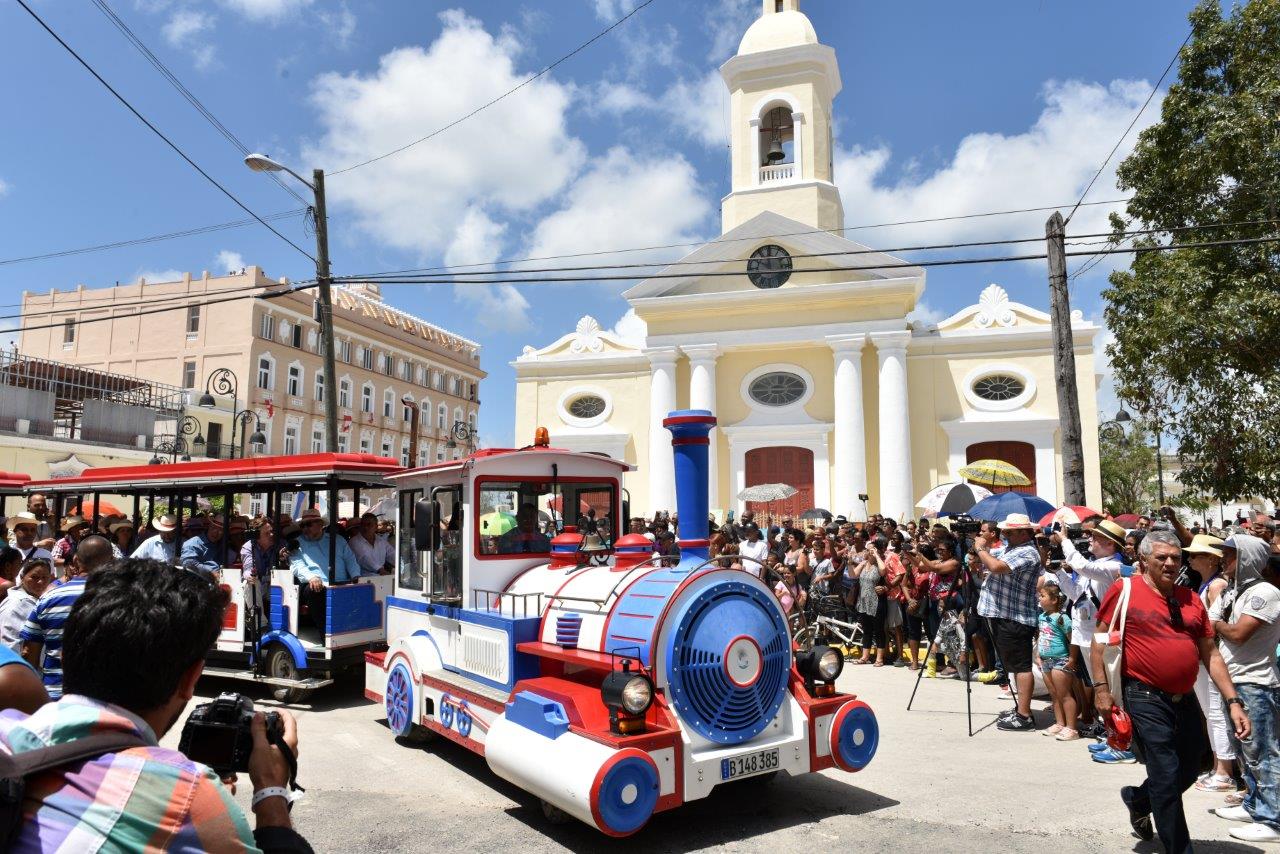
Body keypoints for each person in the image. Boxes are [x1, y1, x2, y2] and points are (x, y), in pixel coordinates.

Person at [0, 558, 313, 852]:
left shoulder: (7, 726)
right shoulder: (187, 796)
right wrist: (271, 793)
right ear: (191, 679)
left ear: (66, 657)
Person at [1091, 529, 1250, 852]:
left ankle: (1139, 799)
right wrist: (1101, 689)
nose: (1169, 563)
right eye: (1161, 557)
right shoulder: (1126, 589)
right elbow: (1099, 641)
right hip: (1144, 695)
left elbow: (1211, 653)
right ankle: (1179, 847)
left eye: (1175, 558)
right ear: (1144, 559)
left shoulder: (1190, 598)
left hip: (1185, 697)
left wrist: (1233, 701)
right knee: (1165, 772)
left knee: (1192, 766)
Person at [1208, 533, 1280, 843]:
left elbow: (1237, 633)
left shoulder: (1266, 592)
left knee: (1262, 752)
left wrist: (1216, 623)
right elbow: (1208, 620)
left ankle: (1273, 819)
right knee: (1246, 752)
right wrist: (1215, 614)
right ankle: (1254, 804)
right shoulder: (1234, 591)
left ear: (1248, 558)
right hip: (1235, 682)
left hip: (1256, 683)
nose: (1224, 559)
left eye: (1230, 554)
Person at [1051, 519, 1129, 748]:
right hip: (1088, 635)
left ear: (1109, 543)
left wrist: (1065, 541)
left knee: (1111, 690)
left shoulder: (1113, 567)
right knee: (1099, 686)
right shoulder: (1095, 565)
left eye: (1095, 537)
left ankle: (1120, 737)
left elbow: (1082, 566)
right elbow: (1077, 594)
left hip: (1106, 637)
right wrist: (1059, 573)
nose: (1090, 540)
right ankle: (1109, 731)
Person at [20, 535, 114, 700]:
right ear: (112, 562)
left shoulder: (48, 598)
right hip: (106, 700)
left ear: (76, 560)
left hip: (54, 695)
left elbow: (28, 652)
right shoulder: (121, 598)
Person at [973, 513, 1043, 731]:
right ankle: (1020, 709)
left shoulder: (1028, 552)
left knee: (1021, 666)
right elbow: (990, 558)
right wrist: (979, 549)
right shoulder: (1011, 548)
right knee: (1014, 665)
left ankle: (1024, 716)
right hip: (1006, 615)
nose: (1005, 535)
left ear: (1024, 532)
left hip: (1017, 617)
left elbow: (996, 567)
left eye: (1009, 532)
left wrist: (980, 549)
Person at [1184, 534, 1239, 793]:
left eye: (1195, 555)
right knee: (1211, 714)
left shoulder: (1217, 585)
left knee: (1216, 714)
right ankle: (1218, 766)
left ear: (1210, 559)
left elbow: (1214, 626)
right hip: (1201, 657)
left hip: (1209, 658)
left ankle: (1224, 771)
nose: (1190, 558)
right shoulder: (1206, 583)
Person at [289, 508, 360, 633]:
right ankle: (326, 633)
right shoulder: (297, 543)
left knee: (363, 589)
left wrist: (356, 576)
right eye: (303, 525)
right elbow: (297, 565)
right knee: (314, 590)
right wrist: (311, 577)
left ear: (320, 524)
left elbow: (350, 559)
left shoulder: (337, 540)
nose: (305, 528)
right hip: (316, 585)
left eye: (309, 524)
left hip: (341, 583)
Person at [1034, 580, 1079, 740]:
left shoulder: (1062, 618)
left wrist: (1072, 658)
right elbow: (1042, 636)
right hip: (1045, 660)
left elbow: (1072, 639)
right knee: (1054, 694)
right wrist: (1039, 654)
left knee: (1064, 693)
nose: (1039, 598)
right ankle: (1060, 723)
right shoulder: (1042, 616)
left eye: (1043, 595)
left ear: (1054, 600)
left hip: (1060, 660)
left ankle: (1071, 728)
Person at [0, 557, 53, 652]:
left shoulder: (40, 601)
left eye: (45, 577)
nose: (40, 582)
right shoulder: (15, 605)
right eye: (34, 577)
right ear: (22, 577)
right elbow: (10, 646)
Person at [851, 539, 889, 667]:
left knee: (878, 630)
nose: (869, 552)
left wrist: (877, 555)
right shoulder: (863, 563)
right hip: (863, 602)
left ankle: (879, 658)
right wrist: (849, 563)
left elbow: (884, 571)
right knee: (866, 630)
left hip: (877, 602)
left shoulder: (879, 564)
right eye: (868, 550)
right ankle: (865, 656)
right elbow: (853, 575)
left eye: (871, 549)